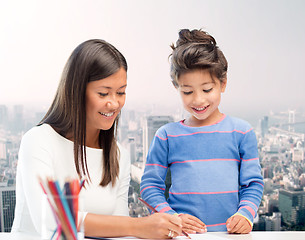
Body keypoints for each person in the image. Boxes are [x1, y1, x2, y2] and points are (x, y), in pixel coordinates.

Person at [11, 39, 182, 239]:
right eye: (103, 93)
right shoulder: (38, 141)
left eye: (121, 92)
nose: (114, 103)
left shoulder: (119, 156)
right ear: (76, 91)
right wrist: (138, 226)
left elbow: (118, 229)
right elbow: (52, 220)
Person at [140, 29, 264, 234]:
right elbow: (150, 186)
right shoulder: (166, 135)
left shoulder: (242, 132)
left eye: (207, 89)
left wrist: (245, 214)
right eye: (187, 91)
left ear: (222, 83)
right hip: (182, 236)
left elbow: (253, 183)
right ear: (176, 87)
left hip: (229, 236)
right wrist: (172, 217)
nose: (198, 100)